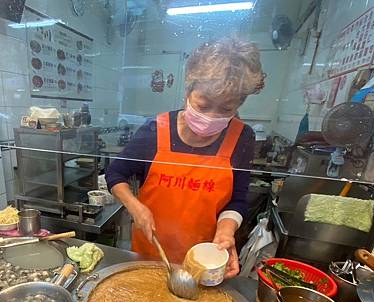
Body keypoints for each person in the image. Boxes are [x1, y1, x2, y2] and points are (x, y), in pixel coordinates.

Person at [106, 37, 265, 278]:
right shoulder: (155, 130)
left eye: (225, 109)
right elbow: (115, 173)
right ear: (188, 91)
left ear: (239, 103)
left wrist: (226, 230)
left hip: (204, 259)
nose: (212, 116)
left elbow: (237, 200)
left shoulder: (242, 137)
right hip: (150, 254)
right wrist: (135, 207)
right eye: (203, 105)